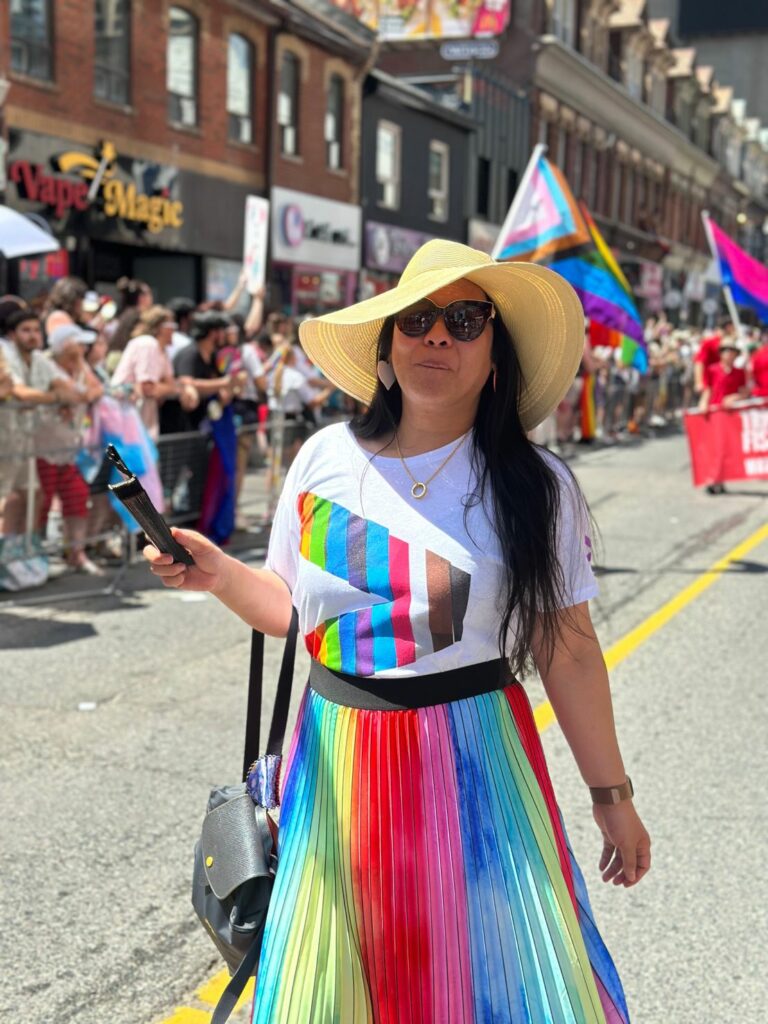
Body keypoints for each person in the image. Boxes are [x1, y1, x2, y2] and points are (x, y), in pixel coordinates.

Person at [144, 240, 649, 1024]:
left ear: (494, 357)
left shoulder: (535, 486)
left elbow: (569, 650)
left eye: (464, 319)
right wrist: (218, 575)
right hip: (335, 763)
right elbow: (290, 610)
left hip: (474, 761)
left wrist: (610, 795)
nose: (437, 336)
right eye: (416, 319)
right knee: (332, 987)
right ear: (386, 349)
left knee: (483, 984)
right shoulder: (323, 460)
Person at [111, 305, 184, 441]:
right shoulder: (147, 344)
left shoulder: (163, 351)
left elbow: (169, 383)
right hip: (127, 423)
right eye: (170, 325)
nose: (174, 329)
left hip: (143, 426)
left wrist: (167, 388)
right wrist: (171, 389)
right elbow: (148, 388)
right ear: (159, 327)